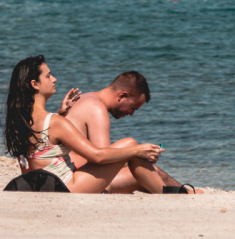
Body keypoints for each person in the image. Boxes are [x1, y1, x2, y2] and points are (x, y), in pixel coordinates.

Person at [3, 56, 164, 194]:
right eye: (48, 76)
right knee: (131, 144)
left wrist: (61, 114)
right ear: (35, 84)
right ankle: (169, 195)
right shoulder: (55, 123)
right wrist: (138, 150)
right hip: (67, 187)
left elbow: (38, 149)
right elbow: (97, 156)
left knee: (131, 147)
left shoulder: (21, 121)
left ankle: (169, 192)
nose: (54, 79)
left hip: (42, 186)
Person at [64, 71, 195, 193]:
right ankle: (184, 193)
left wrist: (139, 155)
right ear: (122, 96)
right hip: (80, 178)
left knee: (144, 166)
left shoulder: (87, 98)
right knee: (135, 151)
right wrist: (137, 153)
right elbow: (102, 159)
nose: (131, 114)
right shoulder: (96, 109)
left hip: (77, 174)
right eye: (133, 108)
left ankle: (184, 192)